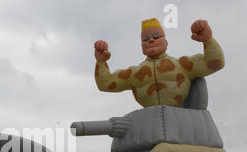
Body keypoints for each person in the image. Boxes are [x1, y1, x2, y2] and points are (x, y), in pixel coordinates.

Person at [94, 18, 224, 108]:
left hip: (180, 122)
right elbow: (105, 84)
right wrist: (101, 63)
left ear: (166, 42)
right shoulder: (134, 73)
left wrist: (208, 40)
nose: (150, 39)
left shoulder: (182, 65)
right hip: (150, 125)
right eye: (145, 38)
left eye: (156, 36)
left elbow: (215, 63)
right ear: (141, 45)